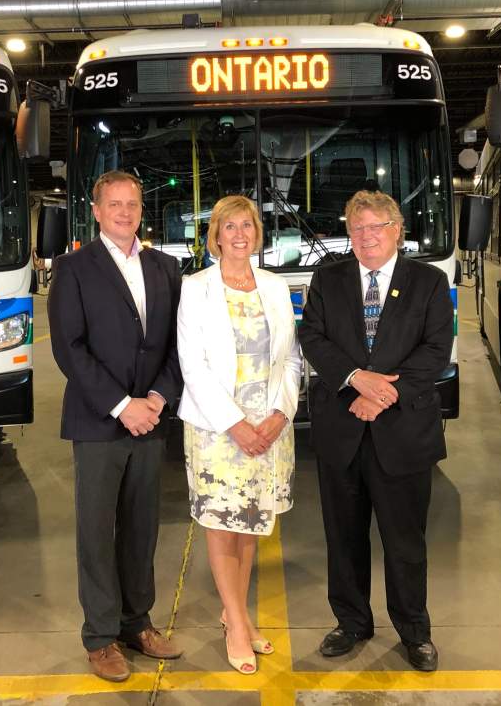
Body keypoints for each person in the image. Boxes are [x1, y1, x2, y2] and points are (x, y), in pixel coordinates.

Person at [298, 190, 454, 673]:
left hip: (403, 431)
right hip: (340, 430)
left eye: (375, 227)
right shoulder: (327, 279)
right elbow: (313, 338)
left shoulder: (428, 281)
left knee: (405, 541)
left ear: (397, 229)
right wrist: (354, 380)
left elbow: (435, 349)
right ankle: (351, 623)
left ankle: (414, 631)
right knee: (343, 537)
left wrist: (384, 393)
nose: (365, 237)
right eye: (356, 227)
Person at [48, 169, 185, 683]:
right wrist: (119, 404)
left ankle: (137, 623)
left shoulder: (165, 268)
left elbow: (176, 344)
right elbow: (69, 347)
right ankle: (101, 637)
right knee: (97, 532)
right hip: (99, 421)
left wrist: (155, 398)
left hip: (150, 419)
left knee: (141, 528)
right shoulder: (74, 268)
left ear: (141, 210)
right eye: (115, 204)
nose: (125, 212)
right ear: (97, 210)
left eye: (132, 204)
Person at [176, 195, 301, 675]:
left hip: (269, 427)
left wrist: (279, 416)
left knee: (251, 522)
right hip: (217, 429)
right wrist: (235, 424)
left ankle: (237, 614)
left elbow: (290, 358)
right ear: (216, 235)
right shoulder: (195, 288)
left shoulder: (274, 286)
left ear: (257, 232)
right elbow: (194, 365)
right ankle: (236, 623)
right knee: (222, 522)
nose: (239, 233)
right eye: (229, 226)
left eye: (246, 224)